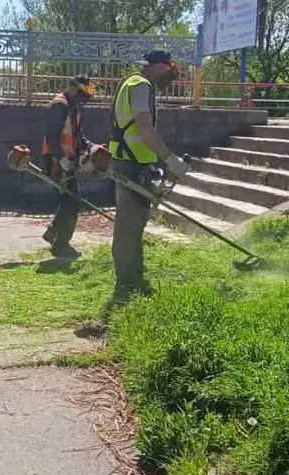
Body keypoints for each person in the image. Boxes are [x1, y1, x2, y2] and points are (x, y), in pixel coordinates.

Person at [106, 49, 189, 307]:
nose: (170, 74)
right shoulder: (142, 86)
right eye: (169, 68)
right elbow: (144, 128)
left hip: (127, 160)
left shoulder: (131, 82)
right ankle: (127, 283)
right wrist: (169, 158)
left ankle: (132, 275)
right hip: (132, 163)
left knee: (131, 222)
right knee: (130, 224)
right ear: (157, 66)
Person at [40, 74, 97, 259]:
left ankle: (54, 235)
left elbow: (79, 136)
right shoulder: (60, 105)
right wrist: (61, 159)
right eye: (82, 93)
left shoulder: (75, 109)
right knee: (72, 201)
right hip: (56, 162)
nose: (84, 98)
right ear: (74, 88)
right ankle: (60, 243)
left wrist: (91, 147)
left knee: (69, 201)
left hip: (68, 162)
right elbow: (51, 136)